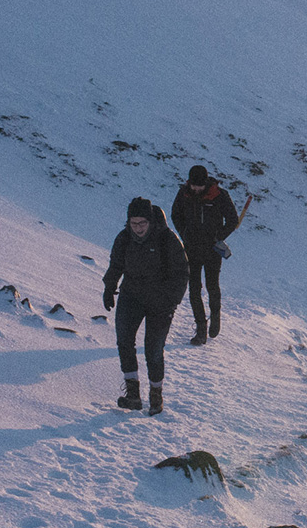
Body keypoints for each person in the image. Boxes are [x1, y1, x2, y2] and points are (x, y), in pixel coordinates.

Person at [103, 197, 188, 413]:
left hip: (161, 302)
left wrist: (171, 301)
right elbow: (116, 264)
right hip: (131, 296)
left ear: (150, 221)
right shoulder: (124, 239)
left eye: (142, 223)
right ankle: (133, 395)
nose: (138, 228)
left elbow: (181, 273)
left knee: (153, 349)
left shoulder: (167, 240)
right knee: (124, 341)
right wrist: (109, 287)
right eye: (134, 223)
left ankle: (156, 396)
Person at [171, 164, 241, 345]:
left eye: (199, 186)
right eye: (193, 185)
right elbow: (175, 214)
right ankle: (201, 329)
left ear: (206, 183)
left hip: (212, 249)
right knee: (194, 289)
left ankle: (215, 315)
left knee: (212, 286)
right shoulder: (183, 194)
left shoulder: (219, 195)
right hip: (191, 248)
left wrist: (219, 236)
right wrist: (184, 232)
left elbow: (233, 219)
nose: (196, 189)